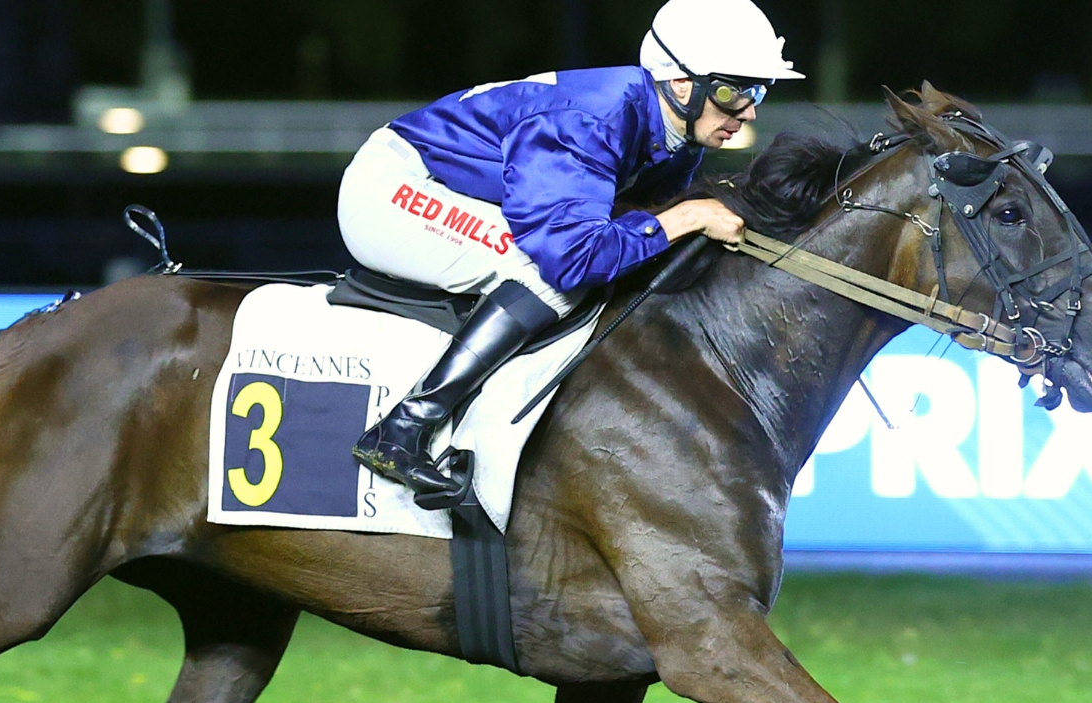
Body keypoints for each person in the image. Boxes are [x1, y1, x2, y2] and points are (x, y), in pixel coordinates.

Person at [340, 0, 804, 500]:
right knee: (546, 275)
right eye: (734, 91)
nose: (750, 111)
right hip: (394, 188)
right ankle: (405, 429)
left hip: (455, 192)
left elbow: (638, 230)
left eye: (759, 91)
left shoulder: (675, 133)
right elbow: (572, 256)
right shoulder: (594, 116)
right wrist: (687, 217)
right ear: (682, 84)